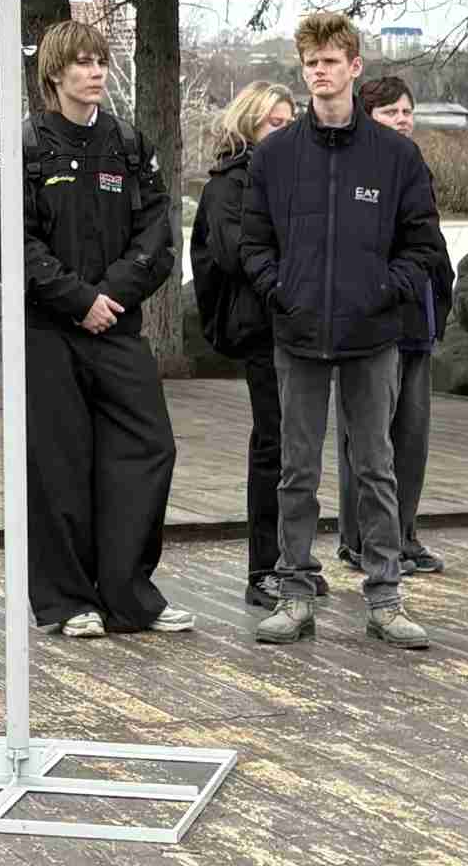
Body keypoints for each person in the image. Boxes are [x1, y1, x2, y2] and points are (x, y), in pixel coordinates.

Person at [0, 18, 193, 639]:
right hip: (51, 332)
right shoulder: (23, 146)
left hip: (117, 328)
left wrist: (111, 297)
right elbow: (9, 244)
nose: (95, 72)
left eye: (100, 61)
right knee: (58, 464)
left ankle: (129, 594)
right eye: (82, 62)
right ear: (54, 73)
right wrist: (77, 301)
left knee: (149, 447)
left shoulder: (127, 143)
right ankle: (68, 600)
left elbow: (158, 233)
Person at [241, 12, 441, 650]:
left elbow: (422, 243)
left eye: (330, 61)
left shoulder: (396, 156)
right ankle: (294, 594)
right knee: (296, 470)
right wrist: (282, 290)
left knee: (376, 467)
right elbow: (253, 243)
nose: (319, 72)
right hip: (298, 334)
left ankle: (385, 597)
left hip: (372, 336)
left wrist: (382, 291)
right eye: (311, 63)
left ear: (355, 67)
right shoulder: (275, 155)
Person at [191, 82, 331, 608]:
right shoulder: (228, 185)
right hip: (262, 327)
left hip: (301, 325)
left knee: (301, 445)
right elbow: (235, 255)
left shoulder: (300, 175)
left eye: (289, 121)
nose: (285, 130)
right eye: (274, 121)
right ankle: (264, 568)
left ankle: (295, 559)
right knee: (273, 444)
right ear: (249, 123)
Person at [336, 76, 454, 578]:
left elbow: (431, 244)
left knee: (411, 437)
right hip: (371, 326)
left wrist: (441, 298)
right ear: (367, 117)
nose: (402, 120)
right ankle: (360, 540)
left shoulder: (415, 166)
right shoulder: (352, 166)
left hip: (417, 324)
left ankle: (403, 534)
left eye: (407, 111)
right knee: (366, 441)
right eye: (390, 112)